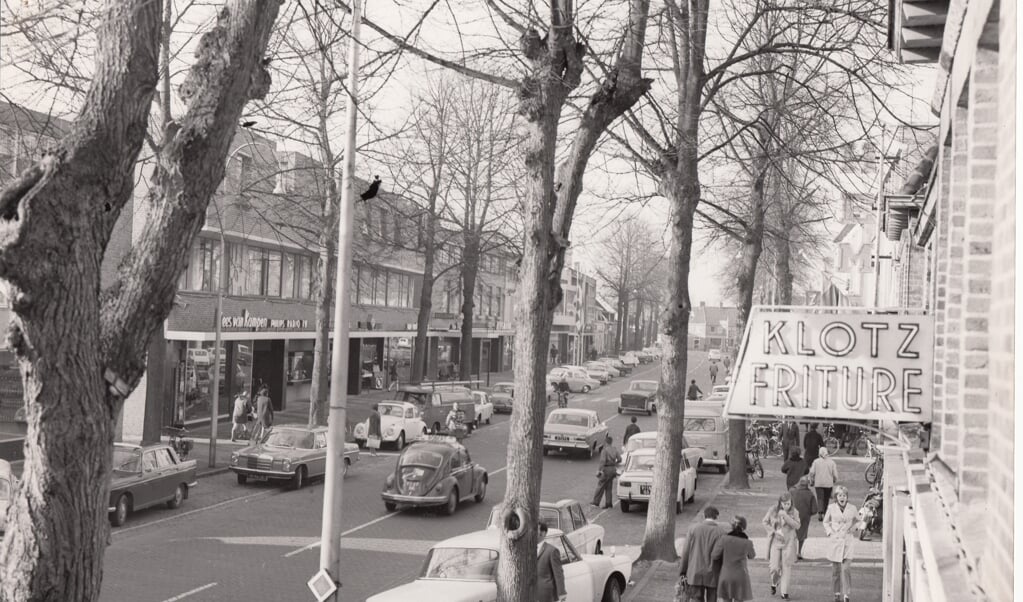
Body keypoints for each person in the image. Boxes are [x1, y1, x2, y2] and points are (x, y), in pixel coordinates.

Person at [678, 506, 726, 602]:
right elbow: (724, 556)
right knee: (712, 599)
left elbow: (686, 552)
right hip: (713, 573)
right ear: (716, 517)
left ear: (704, 516)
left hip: (695, 571)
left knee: (696, 599)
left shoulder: (693, 529)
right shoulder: (722, 532)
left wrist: (682, 571)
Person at [823, 485, 861, 602]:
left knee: (846, 569)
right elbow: (825, 522)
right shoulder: (831, 508)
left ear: (847, 497)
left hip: (847, 541)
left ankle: (846, 594)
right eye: (840, 495)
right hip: (835, 541)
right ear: (836, 497)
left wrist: (854, 528)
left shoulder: (852, 508)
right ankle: (836, 593)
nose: (842, 497)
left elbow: (859, 521)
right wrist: (830, 533)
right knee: (836, 570)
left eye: (844, 495)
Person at [762, 492, 800, 599]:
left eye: (788, 503)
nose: (786, 506)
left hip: (788, 543)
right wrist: (773, 531)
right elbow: (765, 522)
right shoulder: (773, 510)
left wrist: (786, 516)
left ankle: (784, 592)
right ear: (780, 503)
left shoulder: (794, 512)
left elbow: (797, 525)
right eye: (784, 504)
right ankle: (774, 582)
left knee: (786, 567)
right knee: (774, 567)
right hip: (776, 541)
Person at [711, 516, 755, 602]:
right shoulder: (747, 542)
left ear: (732, 526)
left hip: (726, 575)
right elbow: (752, 556)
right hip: (741, 576)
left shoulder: (724, 539)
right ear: (744, 527)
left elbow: (714, 555)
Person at [536, 521, 567, 602]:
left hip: (547, 595)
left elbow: (558, 574)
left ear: (543, 533)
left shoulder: (552, 551)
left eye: (535, 530)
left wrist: (562, 594)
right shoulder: (528, 550)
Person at [788, 476, 818, 559]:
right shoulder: (810, 494)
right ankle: (799, 552)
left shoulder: (792, 491)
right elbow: (815, 510)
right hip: (804, 517)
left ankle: (791, 552)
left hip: (792, 515)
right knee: (802, 535)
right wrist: (808, 513)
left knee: (791, 534)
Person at [809, 447, 839, 521]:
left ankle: (820, 513)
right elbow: (835, 474)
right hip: (828, 484)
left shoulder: (816, 462)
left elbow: (812, 472)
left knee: (820, 498)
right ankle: (825, 512)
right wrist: (835, 480)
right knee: (826, 499)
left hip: (818, 483)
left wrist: (811, 480)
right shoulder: (832, 462)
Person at [591, 434, 620, 509]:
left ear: (606, 442)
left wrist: (599, 470)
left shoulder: (604, 450)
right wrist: (615, 464)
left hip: (606, 470)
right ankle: (609, 503)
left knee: (600, 485)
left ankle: (595, 502)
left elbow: (602, 461)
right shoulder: (614, 449)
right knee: (609, 487)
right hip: (613, 469)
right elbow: (620, 459)